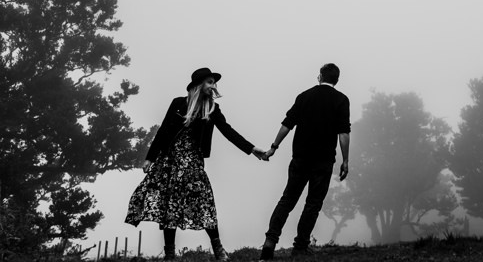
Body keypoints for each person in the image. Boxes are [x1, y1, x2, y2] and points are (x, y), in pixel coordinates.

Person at [125, 67, 269, 260]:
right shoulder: (178, 103)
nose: (213, 86)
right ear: (199, 85)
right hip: (170, 162)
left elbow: (228, 131)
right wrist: (150, 157)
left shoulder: (212, 109)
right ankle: (169, 254)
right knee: (170, 206)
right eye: (210, 82)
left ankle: (218, 249)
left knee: (205, 202)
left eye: (214, 82)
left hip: (193, 164)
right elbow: (163, 130)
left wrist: (251, 149)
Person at [259, 63, 351, 259]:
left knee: (287, 200)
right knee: (313, 204)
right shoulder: (341, 100)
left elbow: (287, 124)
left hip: (300, 158)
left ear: (320, 77)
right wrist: (345, 161)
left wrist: (273, 147)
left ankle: (270, 242)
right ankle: (300, 246)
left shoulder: (304, 96)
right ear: (336, 80)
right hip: (323, 161)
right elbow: (343, 133)